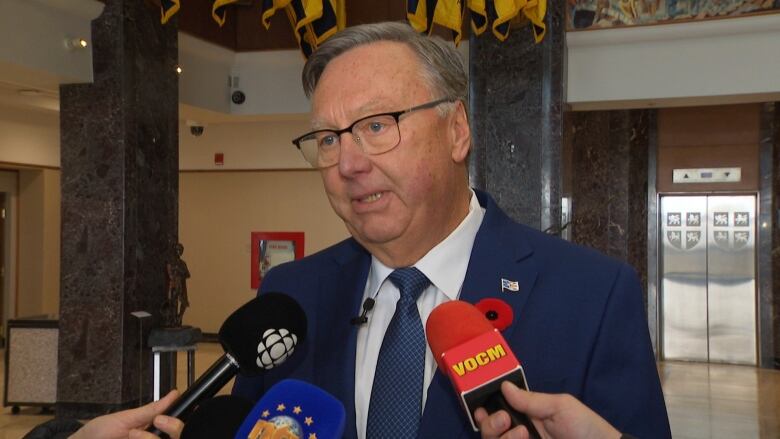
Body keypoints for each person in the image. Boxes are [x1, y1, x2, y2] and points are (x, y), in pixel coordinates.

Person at [232, 21, 671, 439]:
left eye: (377, 125)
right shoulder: (289, 298)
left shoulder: (592, 294)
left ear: (457, 130)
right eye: (329, 139)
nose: (348, 164)